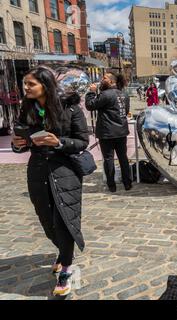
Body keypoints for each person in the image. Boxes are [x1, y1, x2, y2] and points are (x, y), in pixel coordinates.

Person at [11, 67, 89, 296]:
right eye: (24, 83)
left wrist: (59, 142)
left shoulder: (70, 107)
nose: (26, 88)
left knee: (64, 219)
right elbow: (20, 138)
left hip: (64, 170)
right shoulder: (26, 108)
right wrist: (18, 145)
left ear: (45, 85)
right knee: (46, 219)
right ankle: (64, 252)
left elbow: (82, 141)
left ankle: (66, 267)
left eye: (30, 84)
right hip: (37, 170)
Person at [85, 72, 132, 193]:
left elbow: (90, 105)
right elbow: (125, 111)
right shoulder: (124, 94)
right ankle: (127, 183)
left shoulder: (105, 94)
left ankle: (112, 185)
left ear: (111, 81)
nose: (101, 80)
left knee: (108, 159)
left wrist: (91, 92)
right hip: (121, 131)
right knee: (123, 158)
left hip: (107, 133)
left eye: (104, 78)